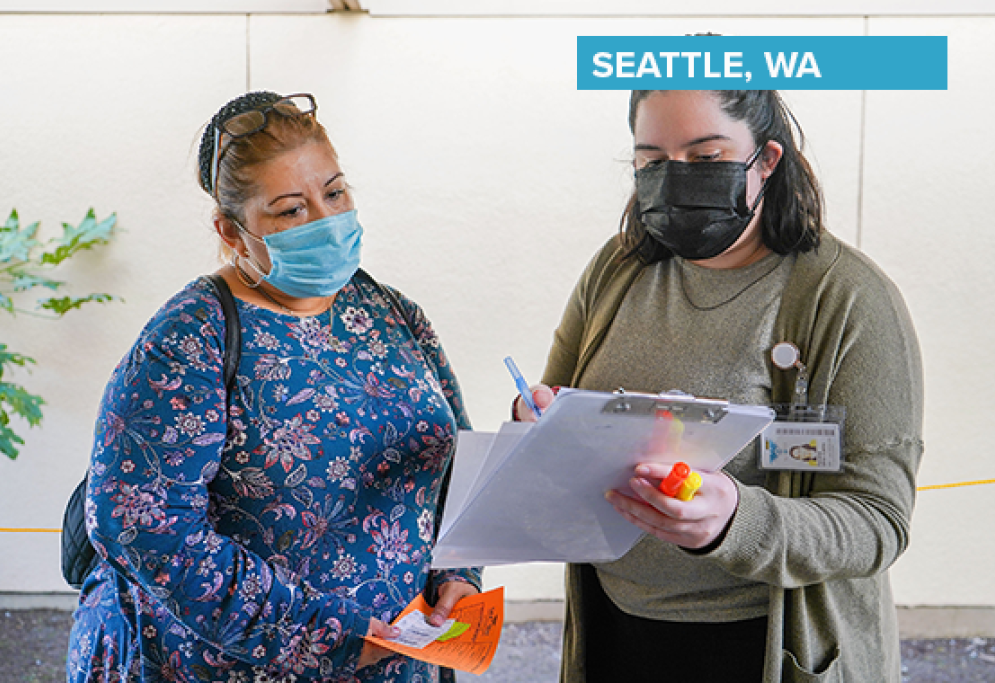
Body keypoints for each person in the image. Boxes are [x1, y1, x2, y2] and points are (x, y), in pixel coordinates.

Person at [67, 91, 480, 683]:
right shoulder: (193, 336)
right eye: (290, 210)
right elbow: (141, 523)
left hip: (398, 660)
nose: (326, 220)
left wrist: (459, 577)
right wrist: (318, 637)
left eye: (334, 193)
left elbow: (457, 468)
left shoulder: (394, 315)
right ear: (231, 232)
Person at [515, 90, 923, 682]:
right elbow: (555, 398)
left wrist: (734, 521)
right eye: (652, 161)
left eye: (706, 158)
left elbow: (877, 521)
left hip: (764, 647)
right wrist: (540, 422)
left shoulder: (848, 299)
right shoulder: (618, 269)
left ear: (767, 160)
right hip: (615, 632)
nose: (676, 179)